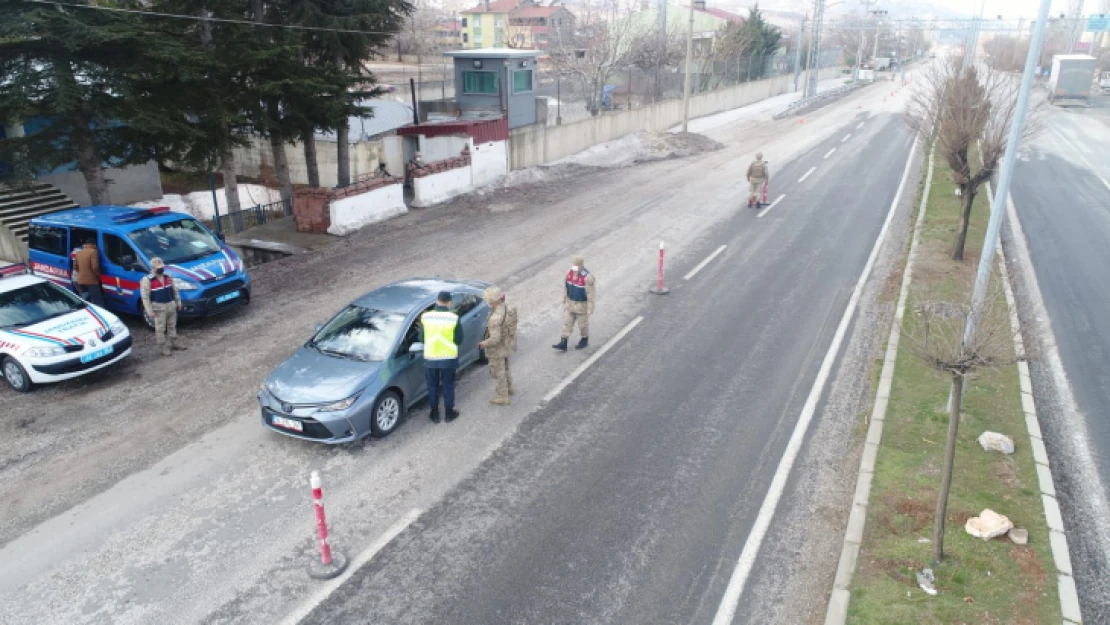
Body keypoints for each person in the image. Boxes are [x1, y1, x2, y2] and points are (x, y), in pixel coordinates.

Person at [420, 291, 463, 423]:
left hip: (431, 360)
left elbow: (421, 338)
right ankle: (449, 413)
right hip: (448, 359)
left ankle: (434, 414)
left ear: (437, 301)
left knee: (432, 386)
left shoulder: (426, 317)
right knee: (448, 386)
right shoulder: (454, 318)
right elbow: (458, 340)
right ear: (449, 302)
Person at [478, 286, 516, 405]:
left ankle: (502, 396)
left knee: (498, 372)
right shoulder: (509, 308)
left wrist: (483, 343)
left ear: (492, 301)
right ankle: (510, 387)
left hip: (498, 349)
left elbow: (495, 339)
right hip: (508, 343)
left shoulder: (495, 318)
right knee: (506, 367)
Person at [141, 257, 184, 357]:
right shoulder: (147, 280)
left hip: (170, 304)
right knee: (160, 328)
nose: (161, 269)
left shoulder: (167, 276)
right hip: (158, 307)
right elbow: (145, 297)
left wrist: (178, 302)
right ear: (153, 268)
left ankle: (174, 342)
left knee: (172, 325)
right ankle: (163, 346)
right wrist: (149, 310)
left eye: (161, 266)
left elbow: (175, 291)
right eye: (158, 267)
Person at [553, 255, 595, 351]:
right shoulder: (569, 273)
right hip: (570, 304)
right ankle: (563, 342)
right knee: (567, 323)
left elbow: (591, 294)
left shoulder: (587, 277)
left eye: (577, 267)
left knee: (582, 325)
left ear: (581, 266)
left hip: (581, 306)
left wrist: (590, 308)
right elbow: (566, 286)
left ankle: (584, 339)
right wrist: (564, 297)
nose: (575, 270)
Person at [72, 237, 105, 306]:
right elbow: (95, 267)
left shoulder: (79, 252)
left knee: (86, 297)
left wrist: (82, 273)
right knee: (97, 300)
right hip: (92, 280)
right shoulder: (93, 252)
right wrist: (98, 275)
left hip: (81, 280)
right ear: (94, 244)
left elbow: (75, 267)